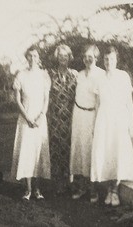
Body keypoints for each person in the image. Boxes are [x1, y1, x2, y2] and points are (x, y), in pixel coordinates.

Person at [91, 46, 133, 206]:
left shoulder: (123, 76)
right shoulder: (100, 79)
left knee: (118, 152)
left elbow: (129, 103)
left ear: (116, 60)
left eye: (111, 59)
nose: (109, 62)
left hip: (119, 119)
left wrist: (131, 123)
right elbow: (97, 104)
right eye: (106, 59)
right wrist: (95, 124)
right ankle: (108, 190)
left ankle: (114, 190)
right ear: (103, 61)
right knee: (106, 153)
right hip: (103, 119)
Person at [11, 47, 51, 200]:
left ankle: (38, 189)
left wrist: (41, 115)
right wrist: (27, 117)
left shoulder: (44, 75)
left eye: (35, 56)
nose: (33, 58)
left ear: (39, 58)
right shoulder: (21, 75)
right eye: (30, 56)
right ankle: (27, 189)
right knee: (27, 152)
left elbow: (46, 99)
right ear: (26, 57)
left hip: (40, 118)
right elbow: (17, 100)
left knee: (39, 152)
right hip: (25, 118)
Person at [70, 44, 105, 202]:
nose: (87, 59)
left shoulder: (101, 75)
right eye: (85, 57)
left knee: (91, 152)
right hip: (78, 115)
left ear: (96, 58)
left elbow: (99, 101)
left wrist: (97, 122)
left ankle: (93, 190)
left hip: (92, 115)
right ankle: (82, 187)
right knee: (79, 152)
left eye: (90, 56)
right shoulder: (79, 74)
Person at [47, 44, 78, 194]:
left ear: (69, 57)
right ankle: (58, 182)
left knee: (69, 148)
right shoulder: (51, 74)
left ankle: (70, 182)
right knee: (56, 148)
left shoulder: (75, 74)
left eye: (65, 56)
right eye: (60, 56)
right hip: (55, 117)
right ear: (57, 57)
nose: (63, 58)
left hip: (71, 117)